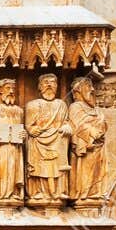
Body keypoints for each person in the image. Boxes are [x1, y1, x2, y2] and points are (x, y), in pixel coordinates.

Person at [24, 72, 71, 204]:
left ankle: (58, 191)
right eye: (45, 82)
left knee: (58, 166)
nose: (49, 85)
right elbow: (28, 125)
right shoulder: (33, 105)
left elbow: (66, 121)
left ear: (57, 86)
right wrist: (32, 130)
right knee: (39, 167)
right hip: (39, 141)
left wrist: (67, 127)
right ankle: (38, 192)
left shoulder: (61, 105)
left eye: (53, 82)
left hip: (57, 140)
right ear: (39, 87)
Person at [0, 78, 26, 205]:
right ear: (0, 91)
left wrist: (24, 135)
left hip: (15, 148)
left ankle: (14, 194)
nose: (11, 91)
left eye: (13, 89)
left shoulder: (19, 111)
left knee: (13, 170)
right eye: (8, 88)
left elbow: (23, 130)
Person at [68, 77, 107, 202]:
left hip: (98, 145)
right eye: (88, 86)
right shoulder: (75, 107)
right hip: (86, 147)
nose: (92, 89)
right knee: (86, 172)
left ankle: (94, 193)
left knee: (97, 172)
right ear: (78, 90)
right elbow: (78, 125)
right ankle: (84, 195)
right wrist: (94, 131)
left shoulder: (95, 109)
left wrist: (97, 127)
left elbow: (103, 124)